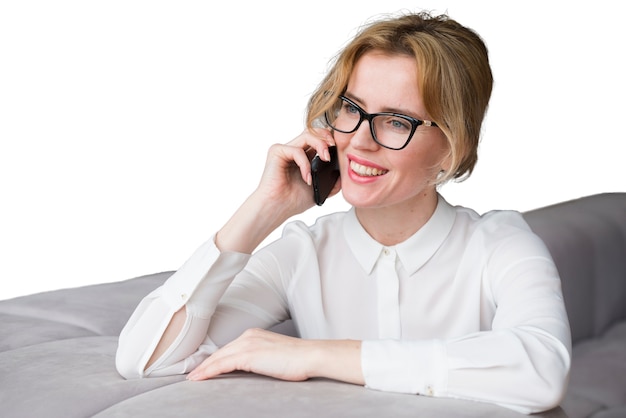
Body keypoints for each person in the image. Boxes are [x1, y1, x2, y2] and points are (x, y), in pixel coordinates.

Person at [116, 11, 571, 414]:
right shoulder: (304, 252)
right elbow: (145, 360)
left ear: (452, 148)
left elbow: (541, 370)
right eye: (351, 108)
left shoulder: (500, 244)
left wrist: (317, 355)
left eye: (396, 120)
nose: (359, 140)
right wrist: (264, 209)